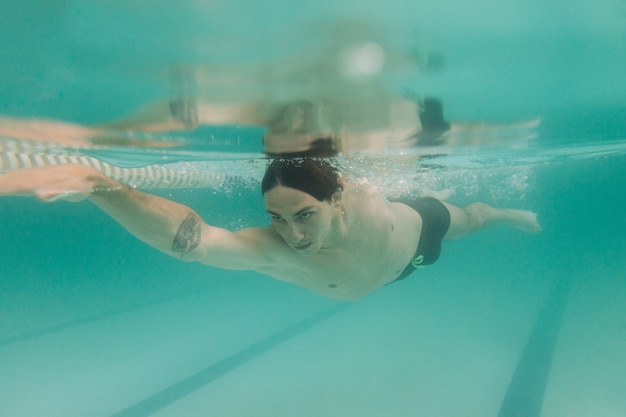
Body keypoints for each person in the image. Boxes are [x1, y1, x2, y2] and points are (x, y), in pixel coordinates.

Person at [0, 158, 541, 300]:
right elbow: (192, 239)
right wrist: (101, 187)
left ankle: (507, 213)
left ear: (341, 200)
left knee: (470, 220)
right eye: (277, 218)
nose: (292, 234)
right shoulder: (276, 252)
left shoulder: (368, 194)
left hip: (416, 234)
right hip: (393, 272)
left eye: (304, 214)